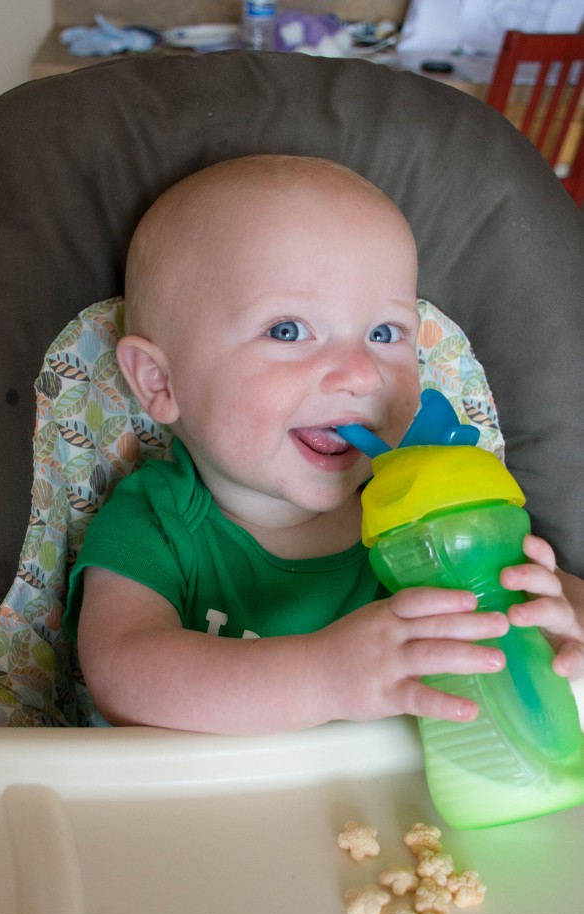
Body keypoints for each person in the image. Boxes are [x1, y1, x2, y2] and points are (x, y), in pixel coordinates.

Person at [64, 154, 584, 732]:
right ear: (161, 381)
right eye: (287, 330)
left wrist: (561, 630)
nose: (361, 374)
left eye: (385, 334)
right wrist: (326, 679)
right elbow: (125, 675)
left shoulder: (431, 518)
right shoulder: (156, 522)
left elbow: (553, 606)